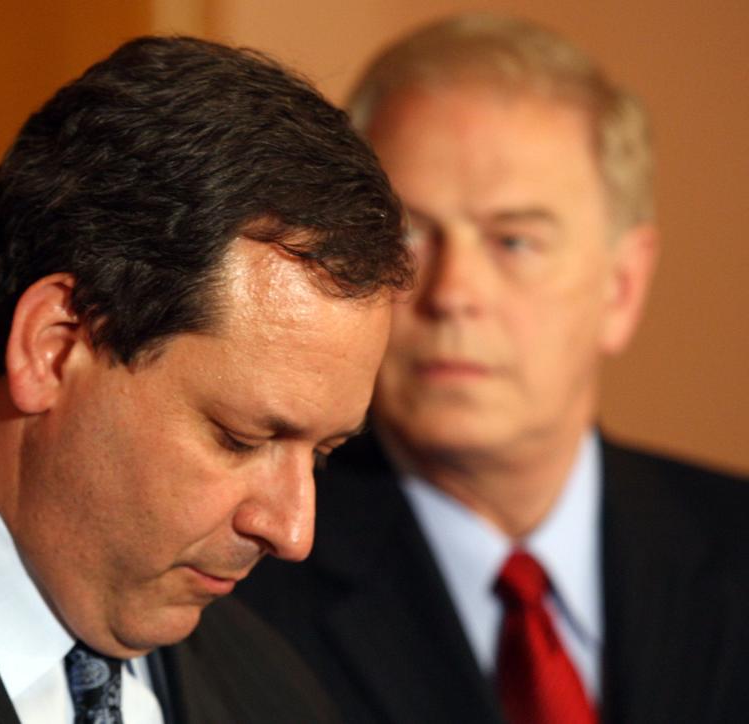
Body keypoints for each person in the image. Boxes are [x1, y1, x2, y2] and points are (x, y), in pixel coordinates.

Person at [0, 36, 412, 723]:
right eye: (239, 439)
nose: (293, 532)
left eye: (322, 455)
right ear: (53, 349)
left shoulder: (273, 688)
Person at [238, 14, 749, 724]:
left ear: (622, 288)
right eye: (408, 235)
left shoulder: (732, 551)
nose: (452, 294)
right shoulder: (242, 588)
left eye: (514, 241)